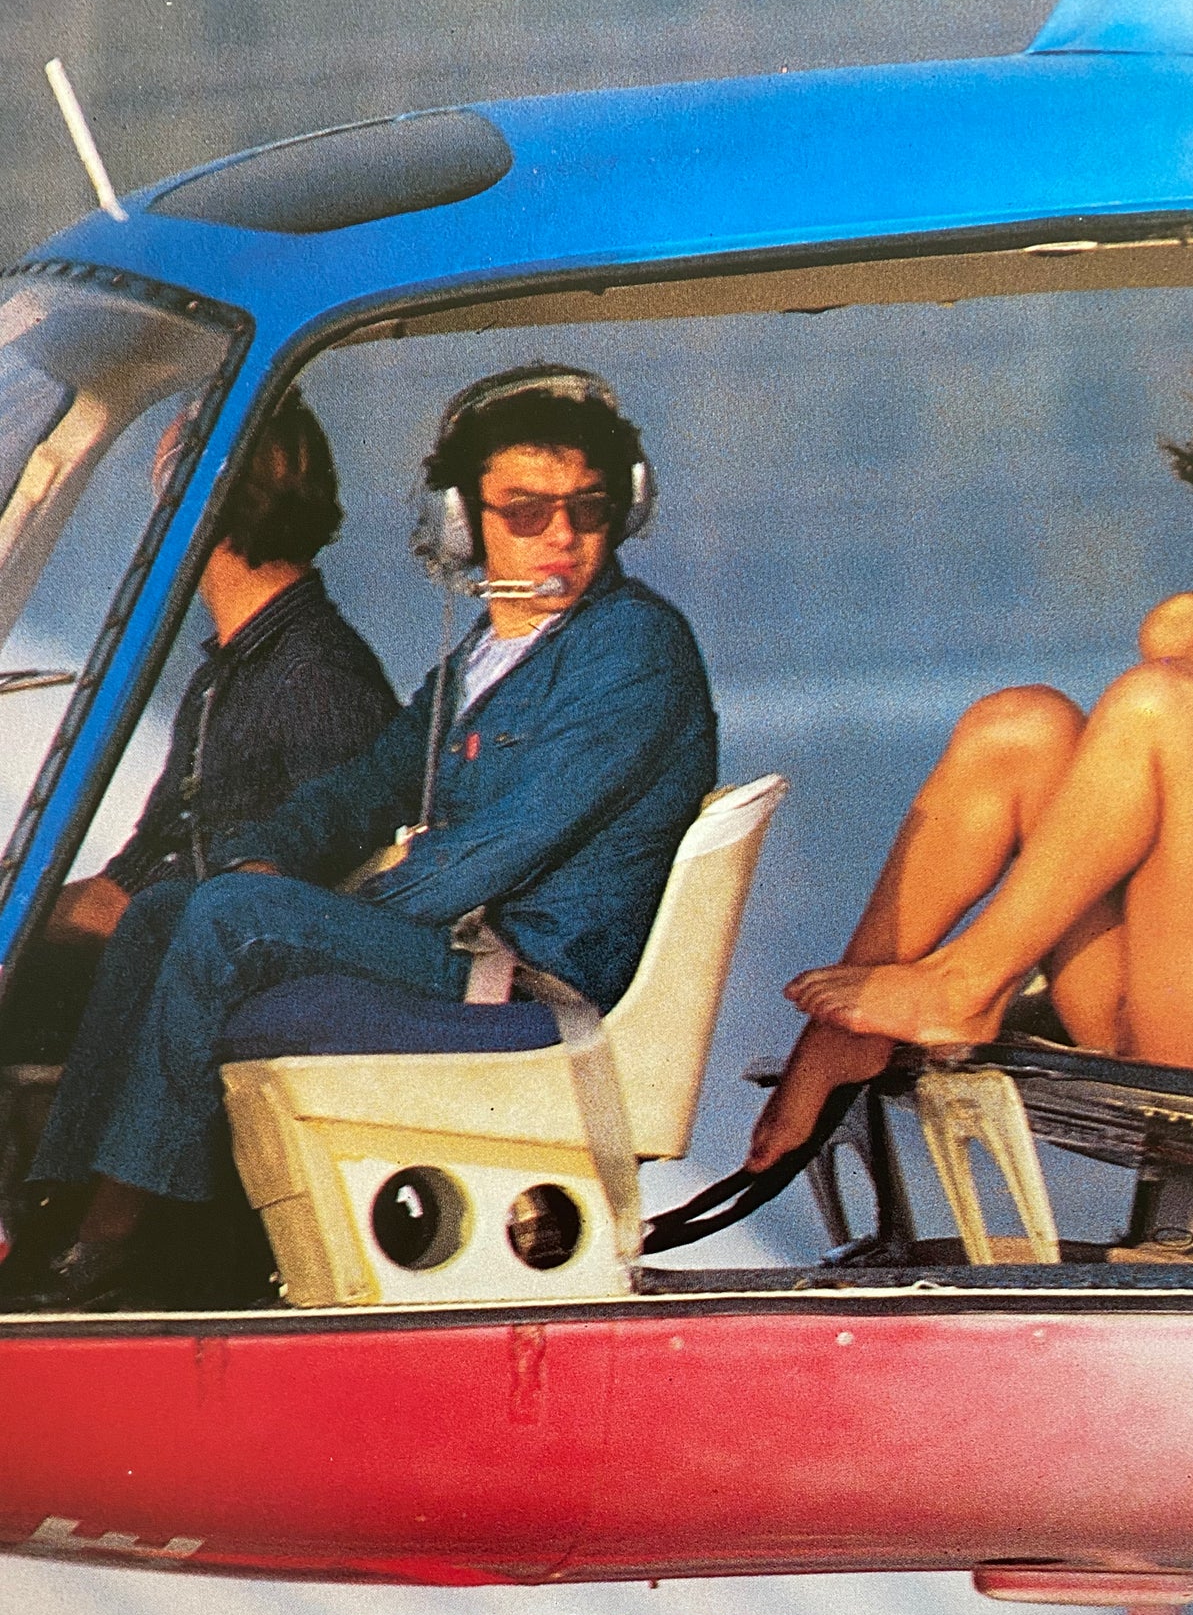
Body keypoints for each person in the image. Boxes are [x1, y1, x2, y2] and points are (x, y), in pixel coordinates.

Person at [18, 365, 716, 1309]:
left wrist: (298, 908)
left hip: (531, 974)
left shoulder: (631, 649)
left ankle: (117, 1243)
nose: (560, 535)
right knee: (170, 911)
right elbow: (364, 787)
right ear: (463, 522)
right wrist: (267, 855)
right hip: (465, 947)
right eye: (525, 511)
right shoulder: (487, 653)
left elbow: (501, 847)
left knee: (226, 917)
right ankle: (58, 1205)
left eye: (587, 509)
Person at [749, 345, 1193, 1172]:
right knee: (1019, 722)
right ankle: (836, 1037)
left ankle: (967, 982)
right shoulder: (1182, 625)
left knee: (1162, 700)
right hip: (1123, 999)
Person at [0, 387, 398, 1062]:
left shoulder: (316, 675)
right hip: (158, 952)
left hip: (199, 990)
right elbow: (140, 871)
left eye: (165, 488)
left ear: (206, 504)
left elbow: (312, 900)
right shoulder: (228, 669)